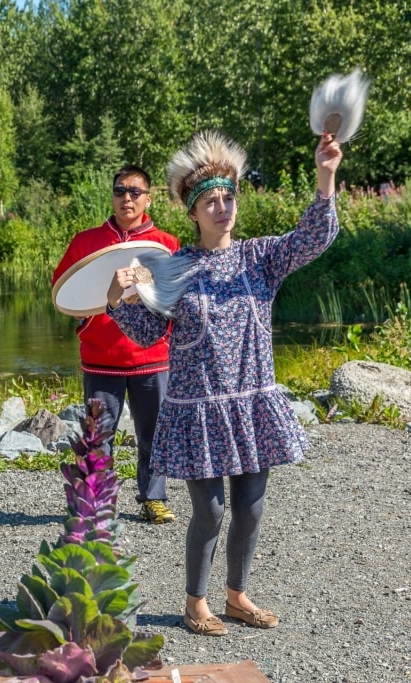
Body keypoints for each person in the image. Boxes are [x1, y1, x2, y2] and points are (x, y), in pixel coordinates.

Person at [107, 130, 342, 636]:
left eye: (227, 197)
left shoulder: (261, 257)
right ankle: (197, 603)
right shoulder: (172, 270)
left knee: (251, 510)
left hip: (251, 403)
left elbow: (312, 239)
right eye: (210, 201)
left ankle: (237, 596)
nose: (222, 207)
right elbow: (148, 333)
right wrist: (117, 297)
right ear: (192, 212)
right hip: (197, 410)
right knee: (210, 512)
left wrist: (326, 177)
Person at [53, 164, 179, 524]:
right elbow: (62, 288)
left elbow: (177, 294)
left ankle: (153, 498)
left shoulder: (166, 244)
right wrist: (85, 320)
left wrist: (144, 284)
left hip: (152, 357)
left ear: (148, 198)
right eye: (120, 191)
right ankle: (97, 503)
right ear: (112, 196)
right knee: (97, 436)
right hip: (100, 356)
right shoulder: (86, 242)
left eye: (135, 192)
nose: (127, 198)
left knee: (153, 434)